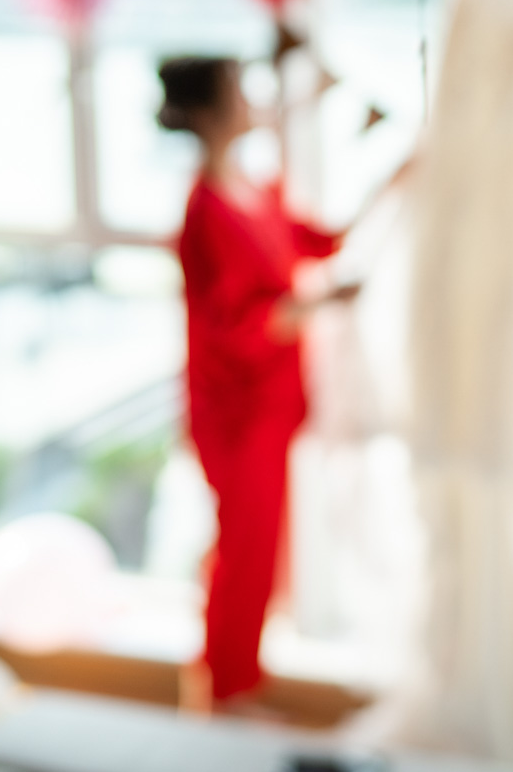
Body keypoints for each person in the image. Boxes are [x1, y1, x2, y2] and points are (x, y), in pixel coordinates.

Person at [157, 55, 356, 714]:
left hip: (268, 401)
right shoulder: (206, 210)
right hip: (234, 409)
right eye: (240, 92)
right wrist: (321, 303)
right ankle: (225, 690)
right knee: (244, 553)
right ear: (214, 110)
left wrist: (390, 187)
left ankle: (235, 681)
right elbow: (238, 327)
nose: (251, 102)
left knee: (258, 550)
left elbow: (312, 242)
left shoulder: (245, 188)